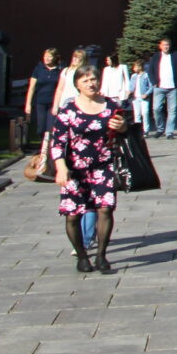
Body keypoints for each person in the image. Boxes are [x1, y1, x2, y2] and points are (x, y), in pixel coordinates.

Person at [47, 63, 126, 274]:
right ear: (77, 85)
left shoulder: (111, 105)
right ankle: (81, 255)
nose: (91, 84)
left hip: (103, 165)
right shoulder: (69, 110)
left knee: (105, 209)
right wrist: (61, 168)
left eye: (93, 79)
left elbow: (125, 129)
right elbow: (57, 142)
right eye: (85, 80)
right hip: (75, 169)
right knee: (73, 214)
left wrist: (122, 126)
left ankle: (101, 255)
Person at [148, 37, 177, 139]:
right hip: (159, 87)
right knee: (156, 109)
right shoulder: (156, 56)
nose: (166, 47)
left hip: (172, 88)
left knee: (172, 110)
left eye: (167, 45)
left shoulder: (176, 55)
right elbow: (150, 71)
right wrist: (154, 82)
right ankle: (160, 129)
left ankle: (169, 132)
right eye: (164, 45)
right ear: (160, 46)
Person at [24, 48, 60, 146]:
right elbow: (31, 88)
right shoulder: (39, 69)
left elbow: (61, 88)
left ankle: (48, 148)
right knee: (41, 128)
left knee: (50, 127)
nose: (46, 58)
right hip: (40, 102)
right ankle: (42, 144)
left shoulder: (59, 70)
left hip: (53, 103)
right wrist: (28, 104)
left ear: (55, 57)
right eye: (45, 56)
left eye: (49, 56)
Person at [128, 60, 153, 130]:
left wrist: (146, 94)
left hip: (144, 98)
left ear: (140, 67)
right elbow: (131, 86)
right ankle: (138, 130)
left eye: (135, 67)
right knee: (137, 115)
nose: (133, 69)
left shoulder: (146, 75)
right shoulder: (133, 76)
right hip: (135, 98)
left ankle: (146, 130)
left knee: (145, 113)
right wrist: (129, 91)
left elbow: (151, 87)